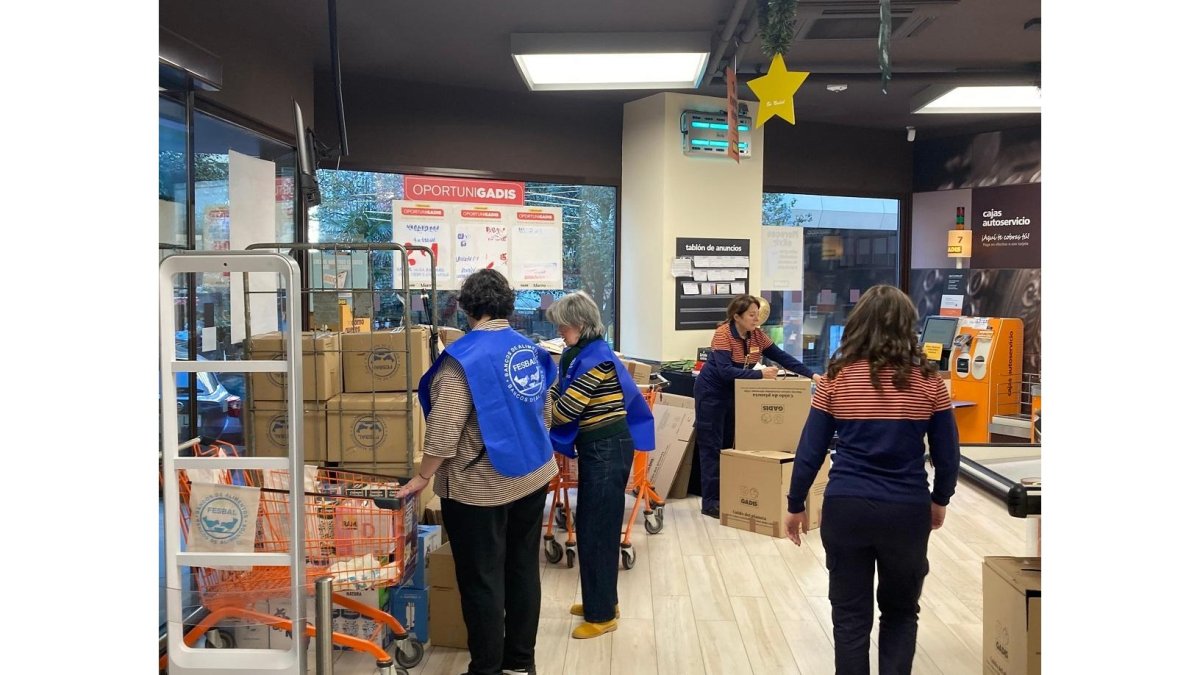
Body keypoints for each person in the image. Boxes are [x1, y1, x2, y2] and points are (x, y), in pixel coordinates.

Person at [784, 284, 960, 675]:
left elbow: (810, 450)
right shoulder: (930, 382)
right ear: (907, 326)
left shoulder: (835, 378)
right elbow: (948, 455)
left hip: (847, 508)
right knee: (900, 612)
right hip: (906, 509)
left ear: (858, 324)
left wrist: (795, 505)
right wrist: (939, 500)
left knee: (849, 618)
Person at [398, 268, 557, 675]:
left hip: (480, 488)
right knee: (523, 569)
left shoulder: (463, 359)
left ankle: (486, 668)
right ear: (507, 304)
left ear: (466, 308)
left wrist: (422, 476)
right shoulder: (530, 349)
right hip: (533, 475)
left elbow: (445, 430)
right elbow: (547, 411)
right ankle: (521, 664)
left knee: (483, 580)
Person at [544, 291, 654, 640]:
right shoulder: (581, 356)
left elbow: (563, 411)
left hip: (607, 449)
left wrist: (541, 394)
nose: (560, 331)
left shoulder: (596, 361)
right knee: (594, 526)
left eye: (563, 324)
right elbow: (563, 395)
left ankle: (602, 614)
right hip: (600, 448)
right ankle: (603, 601)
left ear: (580, 323)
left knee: (596, 531)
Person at [692, 294, 818, 518]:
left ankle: (725, 496)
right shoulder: (723, 334)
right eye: (751, 314)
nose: (756, 318)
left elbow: (781, 356)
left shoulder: (757, 335)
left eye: (757, 314)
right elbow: (724, 372)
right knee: (711, 447)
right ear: (737, 316)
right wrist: (759, 374)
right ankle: (710, 502)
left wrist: (812, 374)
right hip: (711, 393)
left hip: (733, 393)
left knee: (727, 445)